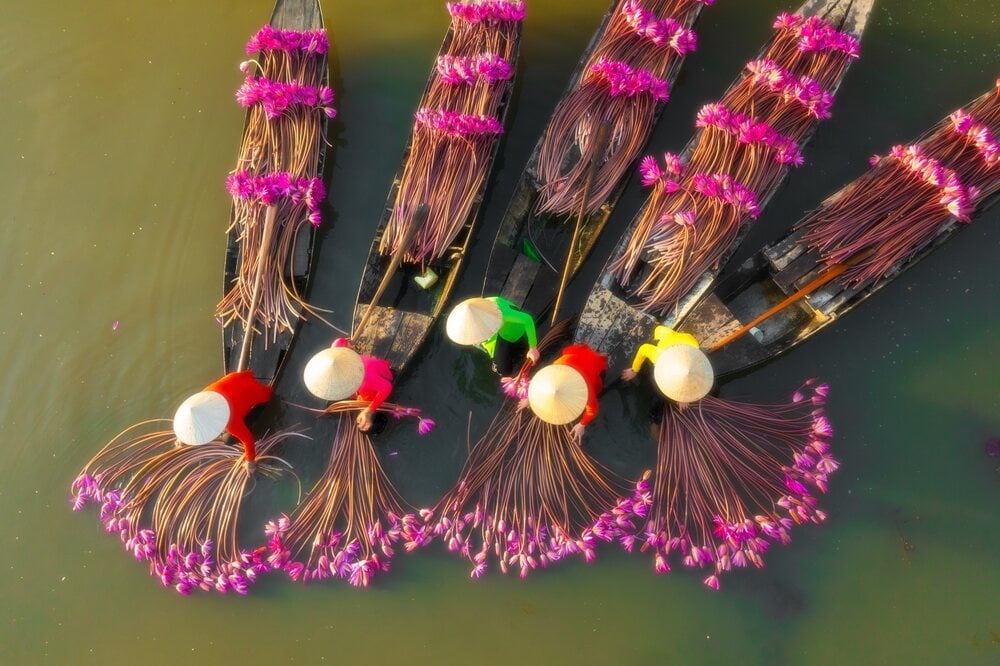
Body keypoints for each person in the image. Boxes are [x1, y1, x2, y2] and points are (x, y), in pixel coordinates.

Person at [173, 370, 273, 463]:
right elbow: (194, 416)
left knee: (228, 439)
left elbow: (248, 440)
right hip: (243, 377)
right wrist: (182, 438)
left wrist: (250, 462)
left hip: (263, 394)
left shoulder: (231, 423)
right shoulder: (206, 395)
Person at [523, 342, 607, 442]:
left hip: (591, 363)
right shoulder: (554, 369)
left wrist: (582, 424)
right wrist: (529, 399)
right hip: (573, 357)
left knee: (597, 369)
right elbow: (536, 384)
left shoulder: (585, 390)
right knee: (580, 353)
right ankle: (593, 352)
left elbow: (593, 409)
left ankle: (599, 355)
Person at [446, 296, 540, 375]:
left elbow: (527, 319)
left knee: (514, 357)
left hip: (515, 332)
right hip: (501, 334)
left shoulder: (501, 313)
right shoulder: (480, 308)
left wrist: (533, 347)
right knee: (502, 369)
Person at [621, 326, 713, 404]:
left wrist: (684, 397)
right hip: (685, 341)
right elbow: (643, 349)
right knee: (658, 331)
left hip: (688, 342)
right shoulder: (659, 355)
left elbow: (690, 373)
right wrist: (634, 369)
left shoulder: (693, 361)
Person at [330, 338, 394, 433]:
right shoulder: (343, 359)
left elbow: (387, 387)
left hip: (382, 378)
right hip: (373, 371)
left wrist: (369, 410)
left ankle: (371, 412)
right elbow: (338, 345)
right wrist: (344, 341)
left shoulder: (364, 378)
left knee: (365, 408)